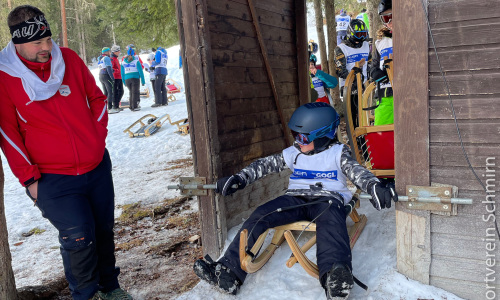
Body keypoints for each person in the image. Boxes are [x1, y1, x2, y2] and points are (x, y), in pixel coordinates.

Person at [193, 102, 398, 300]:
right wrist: (240, 178)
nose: (297, 141)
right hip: (294, 199)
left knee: (332, 224)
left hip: (327, 200)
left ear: (322, 136)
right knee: (261, 214)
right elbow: (265, 165)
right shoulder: (294, 153)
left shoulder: (337, 153)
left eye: (302, 136)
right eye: (295, 135)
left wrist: (375, 186)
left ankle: (335, 275)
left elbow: (357, 172)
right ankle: (229, 271)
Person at [0, 5, 132, 300]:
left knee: (102, 230)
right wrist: (30, 180)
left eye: (48, 39)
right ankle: (85, 296)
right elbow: (8, 133)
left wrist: (96, 138)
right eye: (38, 43)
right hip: (51, 177)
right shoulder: (4, 77)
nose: (47, 48)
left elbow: (97, 98)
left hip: (95, 166)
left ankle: (110, 288)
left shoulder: (68, 59)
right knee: (79, 237)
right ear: (18, 43)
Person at [369, 0, 393, 126]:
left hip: (407, 94)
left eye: (391, 17)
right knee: (382, 131)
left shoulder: (410, 36)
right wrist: (377, 74)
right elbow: (373, 65)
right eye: (385, 18)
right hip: (385, 94)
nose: (389, 22)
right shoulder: (381, 42)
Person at [334, 19, 370, 95]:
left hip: (365, 85)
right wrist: (355, 81)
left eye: (364, 34)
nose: (361, 38)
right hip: (349, 86)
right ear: (351, 33)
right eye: (359, 35)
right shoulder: (341, 48)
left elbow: (370, 64)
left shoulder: (366, 45)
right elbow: (340, 71)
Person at [121, 46, 145, 111]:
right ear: (134, 53)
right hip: (135, 78)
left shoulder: (123, 62)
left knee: (131, 92)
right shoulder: (136, 61)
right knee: (135, 92)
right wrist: (143, 81)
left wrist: (124, 81)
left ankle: (131, 106)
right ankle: (134, 106)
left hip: (127, 79)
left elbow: (122, 73)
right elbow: (141, 72)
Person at [98, 47, 115, 113]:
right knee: (110, 91)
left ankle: (104, 107)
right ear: (107, 52)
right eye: (109, 51)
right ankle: (110, 108)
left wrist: (111, 70)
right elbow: (108, 68)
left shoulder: (100, 58)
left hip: (101, 76)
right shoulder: (107, 58)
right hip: (106, 76)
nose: (110, 53)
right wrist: (112, 77)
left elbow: (103, 67)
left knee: (105, 92)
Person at [110, 45, 124, 113]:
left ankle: (116, 105)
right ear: (114, 52)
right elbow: (112, 69)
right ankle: (115, 106)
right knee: (116, 92)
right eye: (118, 51)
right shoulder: (112, 58)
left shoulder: (116, 58)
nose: (119, 52)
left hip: (119, 77)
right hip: (115, 77)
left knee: (121, 91)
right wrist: (119, 71)